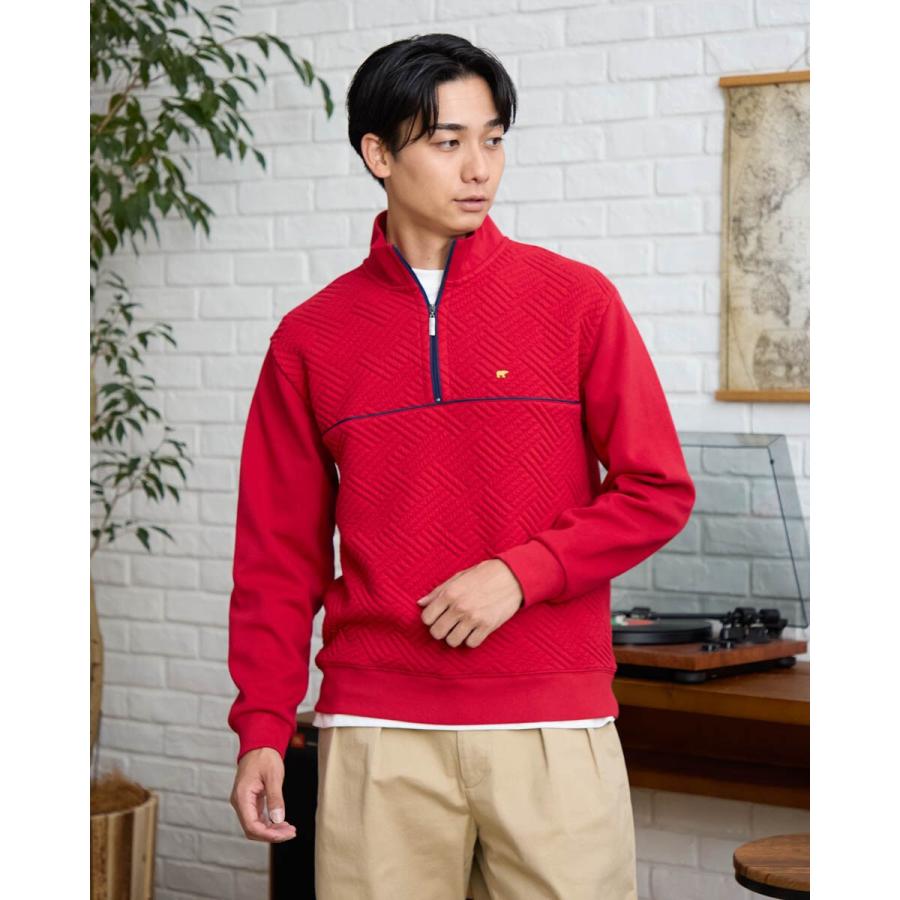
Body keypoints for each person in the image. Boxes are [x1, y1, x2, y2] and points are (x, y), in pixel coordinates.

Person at [227, 32, 695, 900]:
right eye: (448, 142)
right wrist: (261, 723)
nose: (479, 168)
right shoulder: (309, 339)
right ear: (379, 154)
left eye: (493, 139)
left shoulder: (576, 301)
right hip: (378, 730)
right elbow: (276, 558)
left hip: (554, 724)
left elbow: (656, 489)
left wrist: (521, 574)